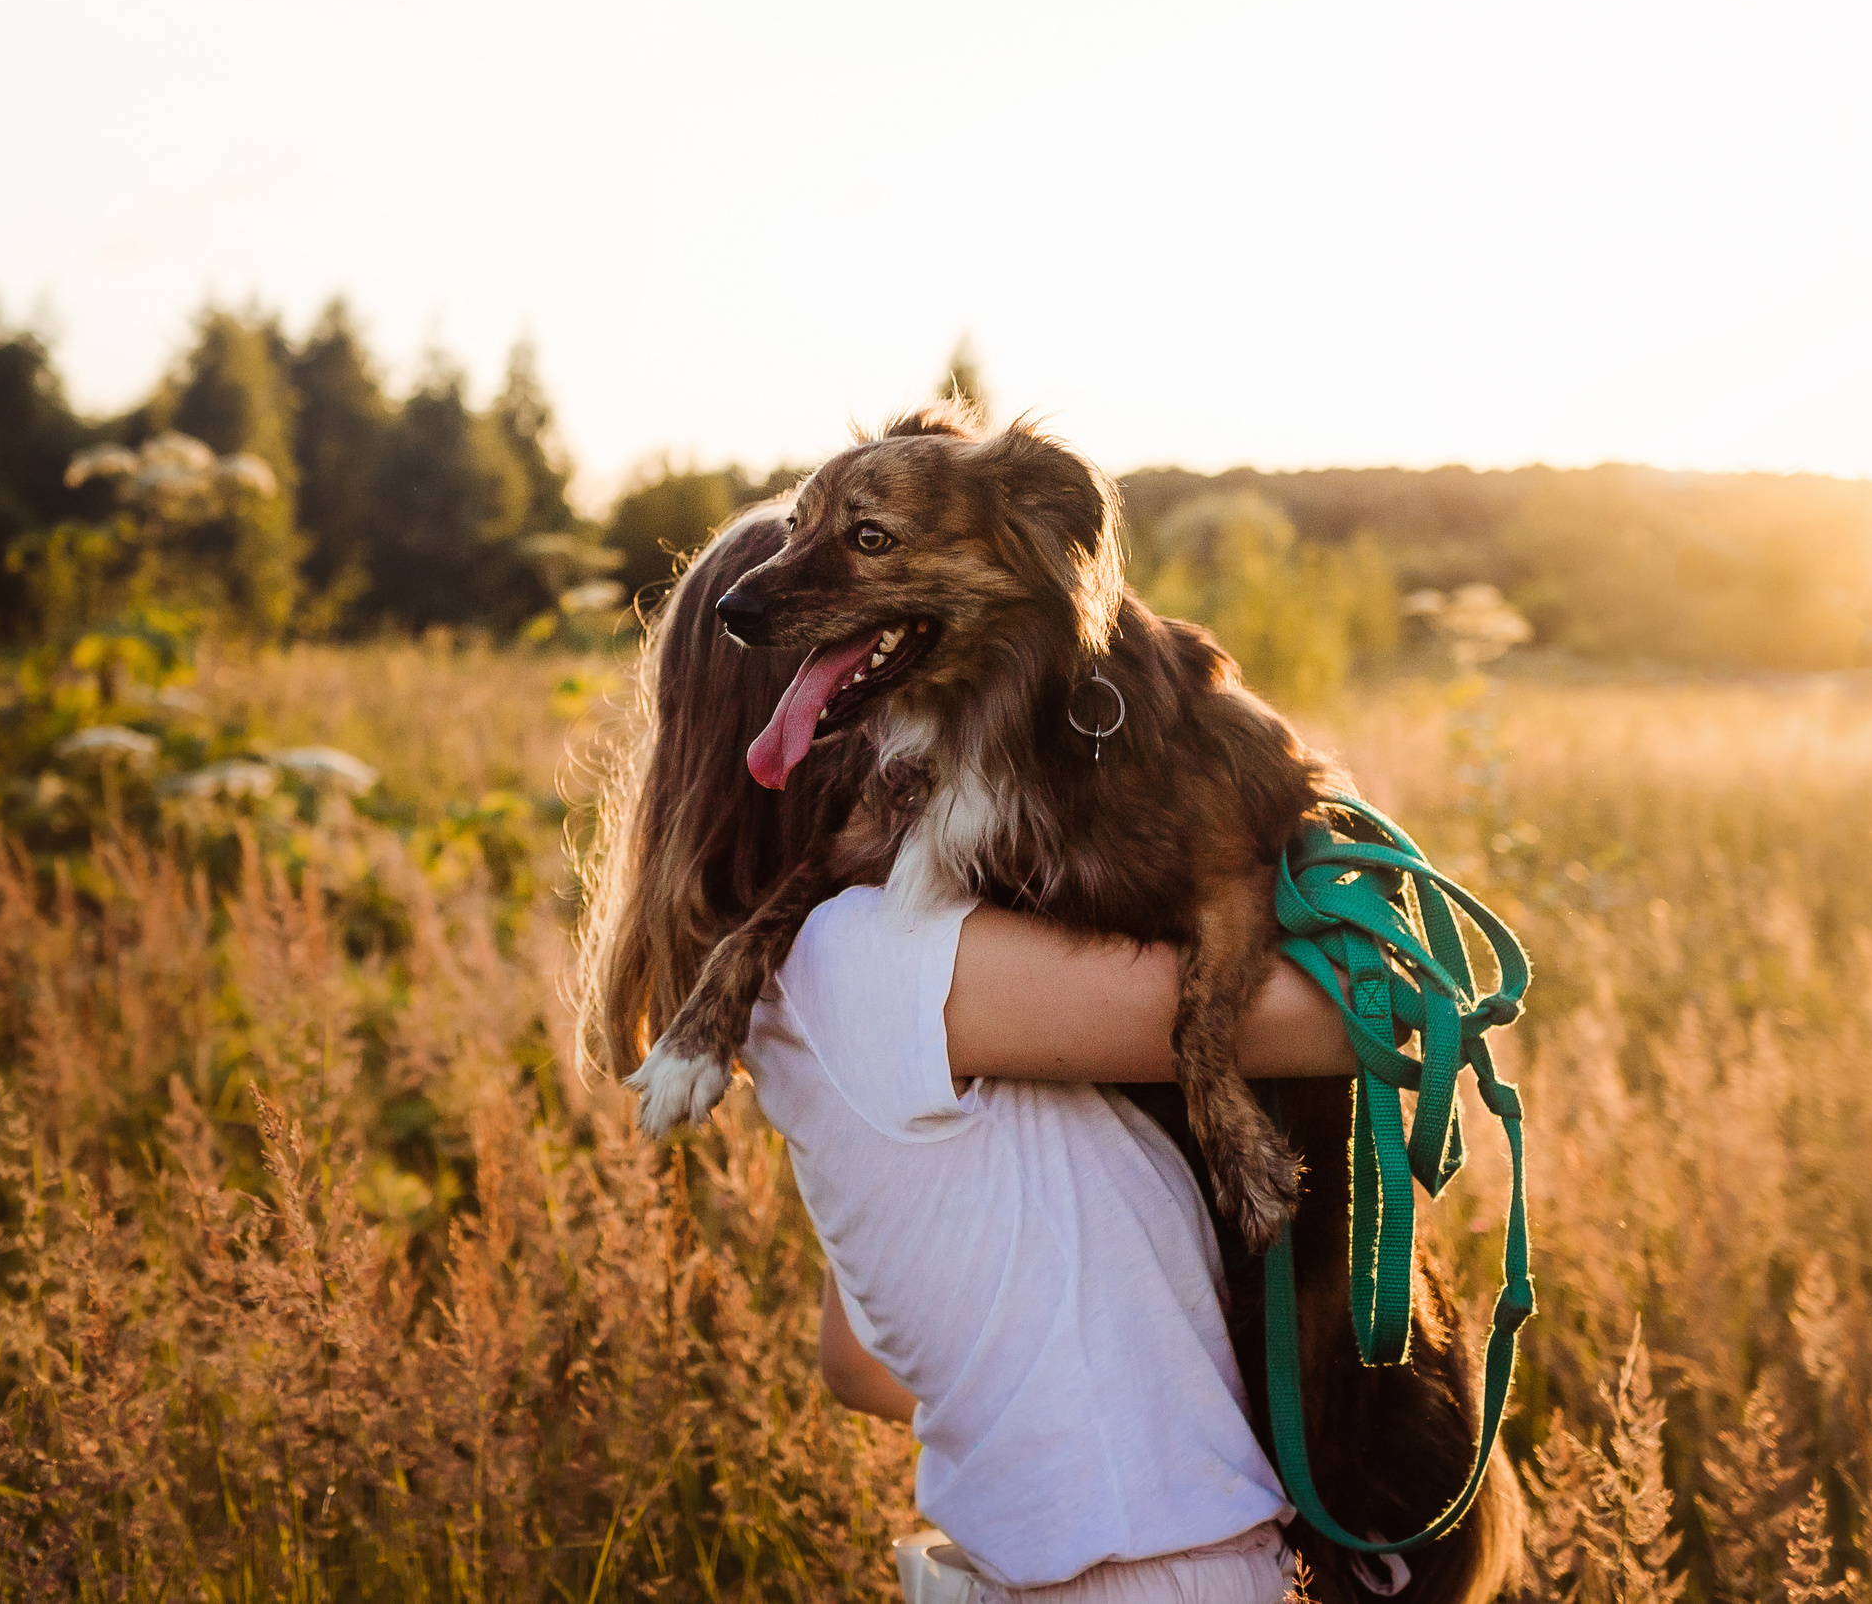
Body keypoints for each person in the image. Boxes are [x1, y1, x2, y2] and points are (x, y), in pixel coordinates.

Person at [579, 503, 1356, 1603]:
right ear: (832, 712)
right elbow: (1347, 1022)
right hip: (1147, 1571)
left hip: (1023, 1569)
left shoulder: (811, 971)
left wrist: (1047, 1376)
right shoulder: (882, 955)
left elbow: (859, 1363)